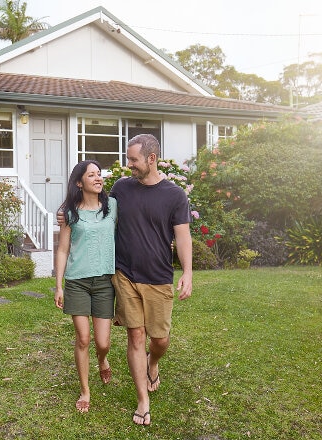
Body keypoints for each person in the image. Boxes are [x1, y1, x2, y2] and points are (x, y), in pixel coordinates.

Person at [110, 134, 193, 426]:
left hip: (158, 277)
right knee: (136, 336)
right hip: (125, 274)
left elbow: (182, 236)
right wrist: (66, 214)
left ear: (151, 159)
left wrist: (188, 272)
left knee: (160, 340)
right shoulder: (121, 188)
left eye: (133, 159)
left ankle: (153, 362)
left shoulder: (175, 195)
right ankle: (142, 400)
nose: (128, 164)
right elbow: (99, 213)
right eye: (128, 158)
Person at [54, 160, 118, 413]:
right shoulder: (70, 212)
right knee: (83, 338)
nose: (98, 178)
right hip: (77, 281)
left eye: (99, 174)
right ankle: (85, 391)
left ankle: (103, 360)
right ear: (79, 183)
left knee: (102, 343)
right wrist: (58, 285)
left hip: (105, 282)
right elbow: (63, 249)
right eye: (91, 175)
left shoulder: (112, 206)